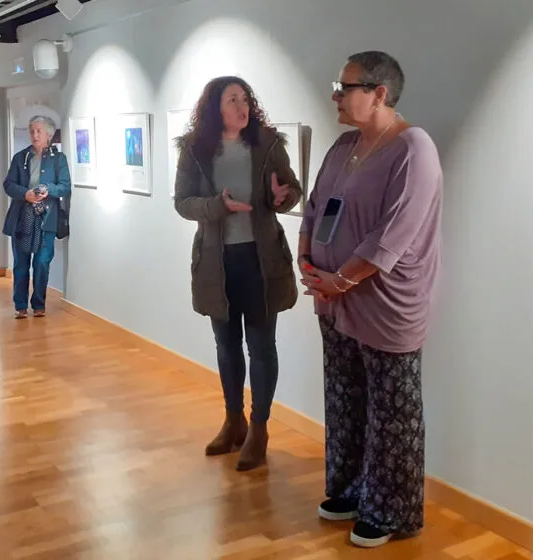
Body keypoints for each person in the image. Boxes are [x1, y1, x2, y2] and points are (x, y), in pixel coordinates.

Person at [297, 51, 442, 548]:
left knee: (391, 410)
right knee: (344, 399)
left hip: (384, 304)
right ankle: (350, 489)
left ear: (379, 93)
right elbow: (316, 208)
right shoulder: (342, 145)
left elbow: (392, 235)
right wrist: (306, 257)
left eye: (346, 86)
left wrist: (341, 279)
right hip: (333, 299)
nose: (336, 95)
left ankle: (388, 509)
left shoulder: (413, 149)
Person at [174, 76, 303, 471]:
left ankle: (260, 428)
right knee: (226, 346)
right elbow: (183, 203)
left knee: (262, 346)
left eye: (245, 98)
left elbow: (292, 190)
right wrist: (217, 206)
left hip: (262, 260)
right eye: (232, 100)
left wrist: (284, 197)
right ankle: (234, 421)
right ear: (215, 108)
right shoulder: (196, 149)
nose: (241, 106)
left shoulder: (268, 143)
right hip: (217, 262)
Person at [2, 115, 71, 319]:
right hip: (22, 217)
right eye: (32, 130)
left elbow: (65, 186)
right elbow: (8, 184)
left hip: (46, 219)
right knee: (21, 263)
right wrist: (26, 194)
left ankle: (39, 303)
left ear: (49, 134)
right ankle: (20, 305)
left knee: (42, 261)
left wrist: (48, 189)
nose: (34, 134)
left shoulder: (59, 159)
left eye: (39, 131)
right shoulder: (19, 157)